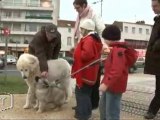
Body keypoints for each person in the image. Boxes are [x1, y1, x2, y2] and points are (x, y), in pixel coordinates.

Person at [73, 0, 108, 110]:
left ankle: (92, 104)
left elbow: (102, 30)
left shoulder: (93, 14)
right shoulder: (80, 16)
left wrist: (102, 46)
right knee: (84, 80)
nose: (76, 10)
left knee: (93, 81)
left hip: (92, 53)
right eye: (75, 8)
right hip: (84, 49)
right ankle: (84, 104)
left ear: (84, 5)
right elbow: (79, 34)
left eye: (77, 8)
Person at [99, 25, 138, 120]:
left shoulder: (118, 51)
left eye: (105, 39)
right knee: (103, 108)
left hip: (114, 86)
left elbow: (117, 69)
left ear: (110, 38)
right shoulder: (113, 49)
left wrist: (106, 83)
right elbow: (110, 64)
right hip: (110, 85)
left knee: (112, 113)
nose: (104, 41)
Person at [71, 19, 102, 120]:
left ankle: (83, 115)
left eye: (82, 28)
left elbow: (86, 55)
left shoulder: (89, 39)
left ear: (86, 29)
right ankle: (87, 112)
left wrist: (76, 51)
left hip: (85, 72)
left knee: (81, 93)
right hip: (91, 72)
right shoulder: (95, 39)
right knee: (87, 94)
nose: (80, 30)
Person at [144, 0, 160, 119]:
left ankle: (152, 111)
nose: (152, 8)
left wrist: (155, 46)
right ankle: (152, 111)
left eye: (155, 6)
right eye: (151, 6)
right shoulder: (158, 19)